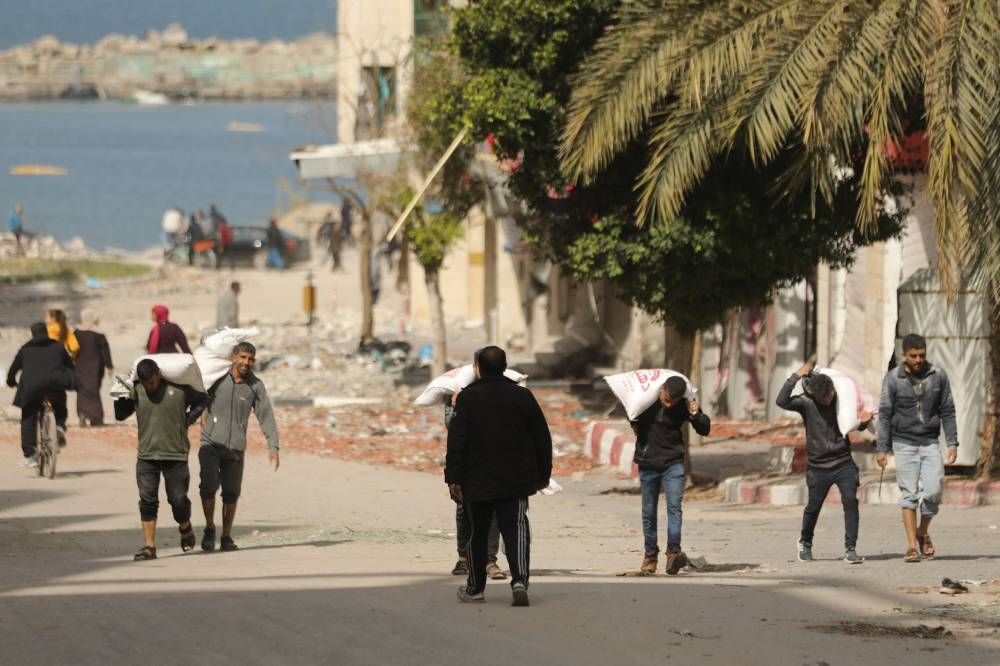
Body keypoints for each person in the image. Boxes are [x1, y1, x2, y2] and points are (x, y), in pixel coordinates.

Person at [446, 346, 552, 606]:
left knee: (477, 534)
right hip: (515, 480)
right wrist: (543, 474)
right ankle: (519, 581)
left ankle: (475, 588)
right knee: (516, 529)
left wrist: (453, 478)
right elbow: (542, 438)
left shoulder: (468, 399)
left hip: (476, 481)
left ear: (478, 369)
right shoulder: (523, 397)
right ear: (505, 367)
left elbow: (456, 441)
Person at [876, 333, 959, 562]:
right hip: (903, 443)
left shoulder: (938, 375)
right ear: (905, 355)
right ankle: (912, 546)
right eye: (913, 356)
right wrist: (881, 448)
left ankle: (923, 532)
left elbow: (947, 411)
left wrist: (952, 443)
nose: (918, 359)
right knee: (909, 495)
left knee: (933, 492)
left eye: (922, 355)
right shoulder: (893, 379)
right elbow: (884, 414)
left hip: (930, 442)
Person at [114, 359, 208, 561]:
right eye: (146, 383)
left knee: (178, 500)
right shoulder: (137, 390)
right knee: (147, 501)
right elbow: (120, 415)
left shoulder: (178, 388)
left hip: (175, 454)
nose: (150, 386)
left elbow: (202, 400)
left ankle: (185, 527)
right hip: (147, 456)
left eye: (153, 381)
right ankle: (149, 546)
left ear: (159, 374)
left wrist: (187, 420)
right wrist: (119, 396)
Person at [776, 363, 870, 564]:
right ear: (814, 396)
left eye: (829, 396)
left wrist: (864, 421)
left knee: (850, 502)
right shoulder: (806, 403)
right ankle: (805, 542)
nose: (828, 401)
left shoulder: (841, 399)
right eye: (823, 399)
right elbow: (781, 401)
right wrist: (794, 376)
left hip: (843, 461)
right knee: (813, 507)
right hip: (818, 467)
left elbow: (856, 426)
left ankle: (850, 548)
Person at [198, 342, 279, 552]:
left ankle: (226, 536)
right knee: (207, 487)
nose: (246, 362)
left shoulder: (255, 386)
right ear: (234, 357)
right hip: (210, 442)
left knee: (231, 493)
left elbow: (266, 416)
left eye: (250, 359)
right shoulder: (216, 378)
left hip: (235, 447)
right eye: (243, 357)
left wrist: (273, 447)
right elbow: (197, 392)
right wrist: (201, 410)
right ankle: (209, 529)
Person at [630, 376, 711, 575]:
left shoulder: (683, 405)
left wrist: (695, 415)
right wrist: (633, 421)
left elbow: (705, 429)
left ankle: (673, 553)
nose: (669, 402)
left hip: (673, 463)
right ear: (662, 389)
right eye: (667, 397)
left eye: (673, 400)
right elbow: (630, 411)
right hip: (648, 463)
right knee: (648, 512)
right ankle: (650, 555)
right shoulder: (645, 402)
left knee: (674, 508)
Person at [444, 392, 504, 580]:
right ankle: (464, 557)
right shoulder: (457, 395)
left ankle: (489, 560)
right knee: (464, 510)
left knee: (493, 511)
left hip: (494, 461)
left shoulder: (501, 393)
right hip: (467, 464)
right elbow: (452, 430)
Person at [6, 322, 76, 467]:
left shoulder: (25, 349)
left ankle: (30, 454)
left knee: (28, 417)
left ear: (32, 334)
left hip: (32, 388)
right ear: (47, 332)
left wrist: (11, 382)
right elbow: (70, 365)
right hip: (55, 385)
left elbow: (13, 370)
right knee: (60, 402)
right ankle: (60, 426)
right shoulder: (58, 346)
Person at [73, 309, 114, 426]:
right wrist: (109, 366)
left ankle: (82, 414)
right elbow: (105, 351)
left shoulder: (76, 333)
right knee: (94, 390)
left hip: (80, 366)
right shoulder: (99, 334)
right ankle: (96, 418)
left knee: (82, 390)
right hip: (96, 367)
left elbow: (71, 349)